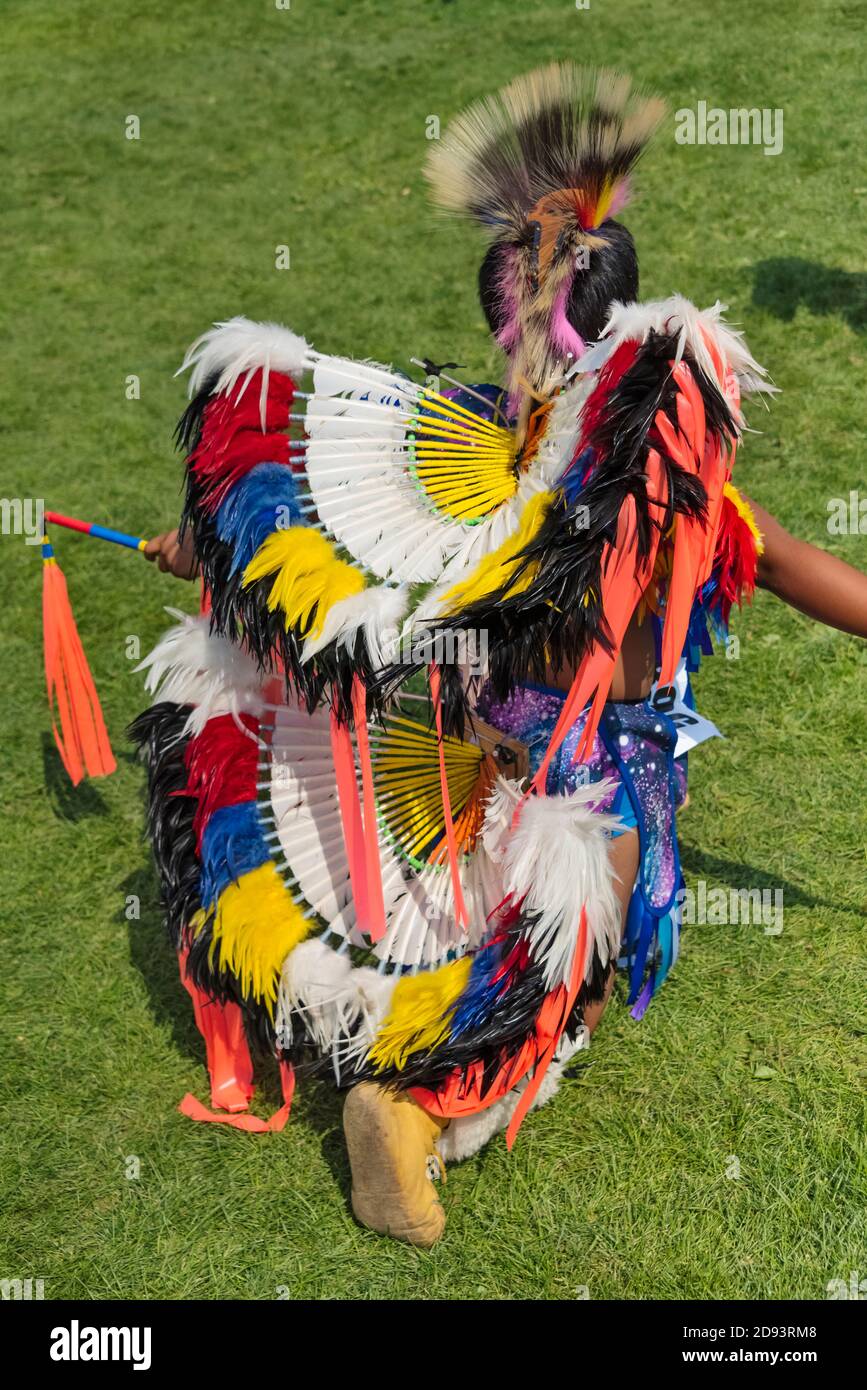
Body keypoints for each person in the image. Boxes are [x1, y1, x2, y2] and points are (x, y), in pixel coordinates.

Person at [134, 64, 867, 1249]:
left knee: (460, 928)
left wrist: (211, 554)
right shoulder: (668, 492)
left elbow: (344, 567)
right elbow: (797, 572)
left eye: (522, 341)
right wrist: (207, 555)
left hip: (454, 762)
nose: (520, 371)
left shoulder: (483, 447)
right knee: (558, 992)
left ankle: (386, 1053)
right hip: (581, 792)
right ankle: (420, 1111)